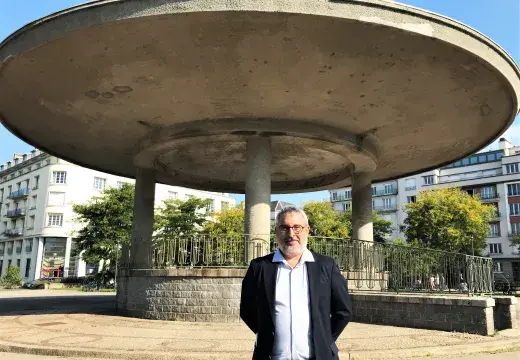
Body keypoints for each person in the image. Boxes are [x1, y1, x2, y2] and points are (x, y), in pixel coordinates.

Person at [240, 206, 351, 360]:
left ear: (307, 230)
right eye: (284, 228)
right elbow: (247, 309)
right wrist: (265, 334)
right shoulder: (259, 267)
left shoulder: (326, 266)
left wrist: (324, 340)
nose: (291, 234)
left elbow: (343, 311)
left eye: (297, 227)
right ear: (277, 231)